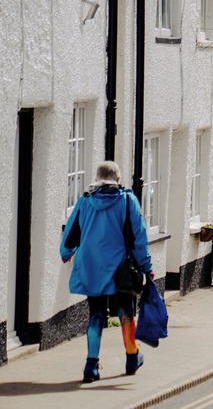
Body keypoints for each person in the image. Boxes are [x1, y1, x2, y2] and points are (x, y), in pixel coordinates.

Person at [60, 161, 153, 383]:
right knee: (126, 313)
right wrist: (147, 267)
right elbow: (138, 238)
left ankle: (91, 366)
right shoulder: (127, 200)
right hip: (120, 269)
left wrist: (66, 252)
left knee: (96, 315)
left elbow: (71, 232)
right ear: (117, 179)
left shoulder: (84, 201)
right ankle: (132, 357)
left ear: (98, 178)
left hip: (92, 266)